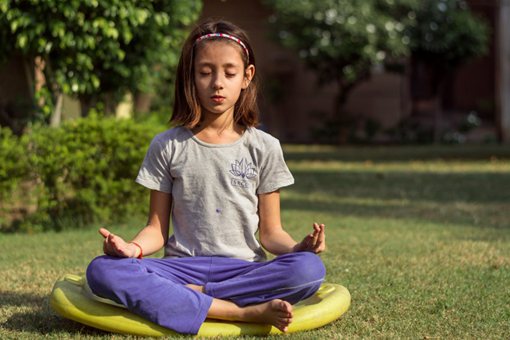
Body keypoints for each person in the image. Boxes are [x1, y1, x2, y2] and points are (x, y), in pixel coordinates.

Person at [86, 19, 326, 335]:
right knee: (102, 270)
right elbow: (156, 230)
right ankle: (243, 312)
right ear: (191, 77)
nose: (217, 83)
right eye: (205, 72)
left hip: (243, 270)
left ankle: (189, 299)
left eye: (229, 73)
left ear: (246, 77)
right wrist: (133, 249)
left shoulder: (265, 147)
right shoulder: (167, 145)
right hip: (180, 268)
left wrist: (298, 248)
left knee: (308, 270)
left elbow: (270, 233)